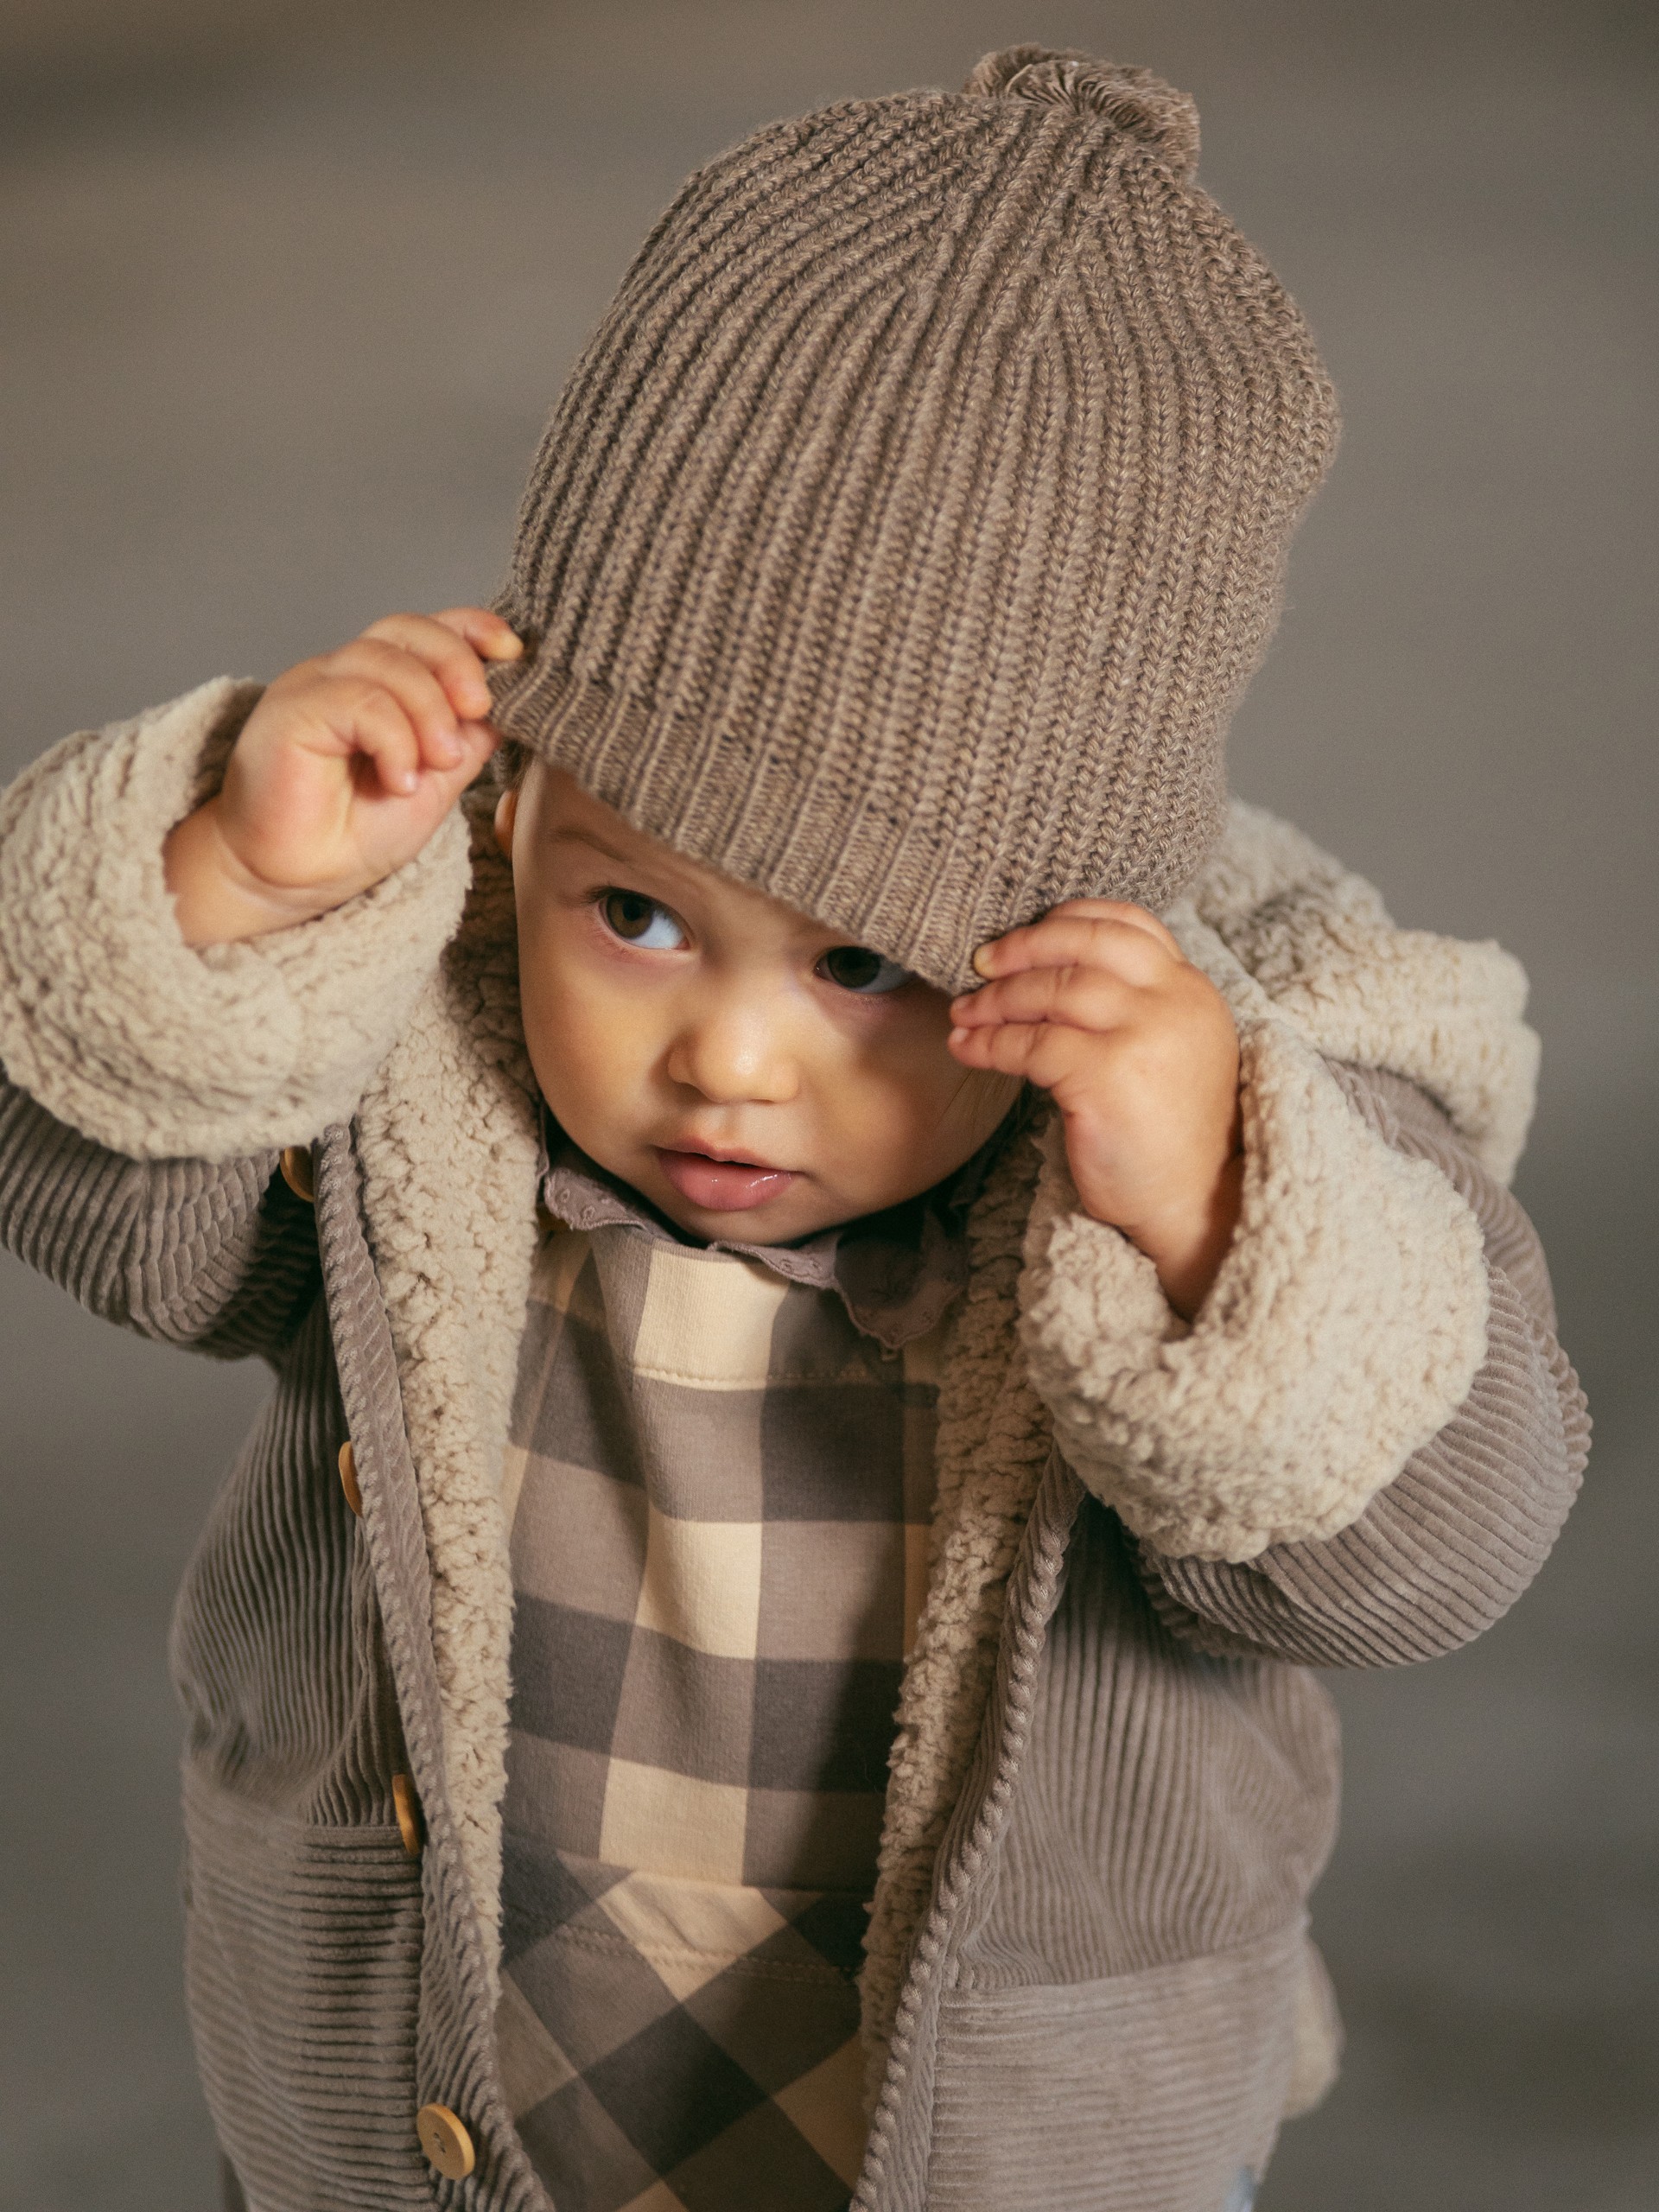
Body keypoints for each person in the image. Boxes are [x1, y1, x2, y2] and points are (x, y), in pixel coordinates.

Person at [0, 42, 1587, 2212]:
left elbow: (1424, 1552)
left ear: (1081, 917)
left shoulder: (1228, 1099)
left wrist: (1222, 1214)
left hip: (1006, 2146)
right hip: (436, 2112)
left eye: (869, 969)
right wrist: (230, 903)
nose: (735, 1062)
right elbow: (110, 1201)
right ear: (529, 794)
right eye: (634, 911)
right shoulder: (414, 1012)